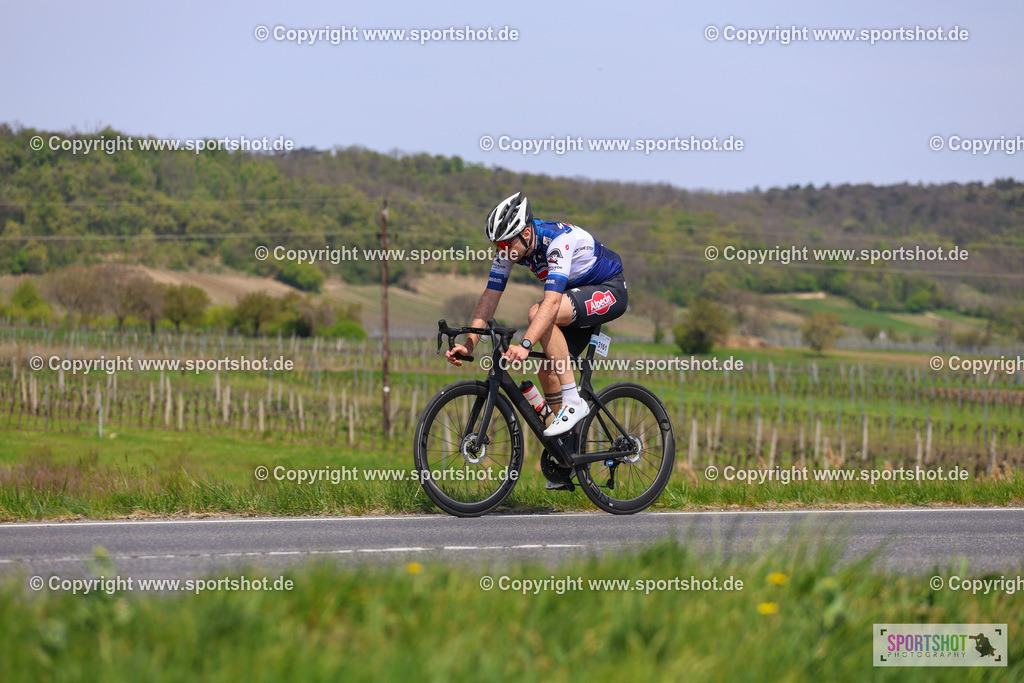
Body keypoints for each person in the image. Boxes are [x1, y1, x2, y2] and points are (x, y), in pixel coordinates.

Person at [445, 191, 628, 437]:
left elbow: (551, 304)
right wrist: (469, 344)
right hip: (574, 298)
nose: (502, 251)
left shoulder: (557, 242)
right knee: (548, 372)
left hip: (609, 289)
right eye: (497, 246)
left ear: (526, 233)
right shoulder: (512, 248)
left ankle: (573, 401)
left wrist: (526, 344)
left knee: (538, 311)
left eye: (505, 244)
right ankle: (567, 445)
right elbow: (490, 296)